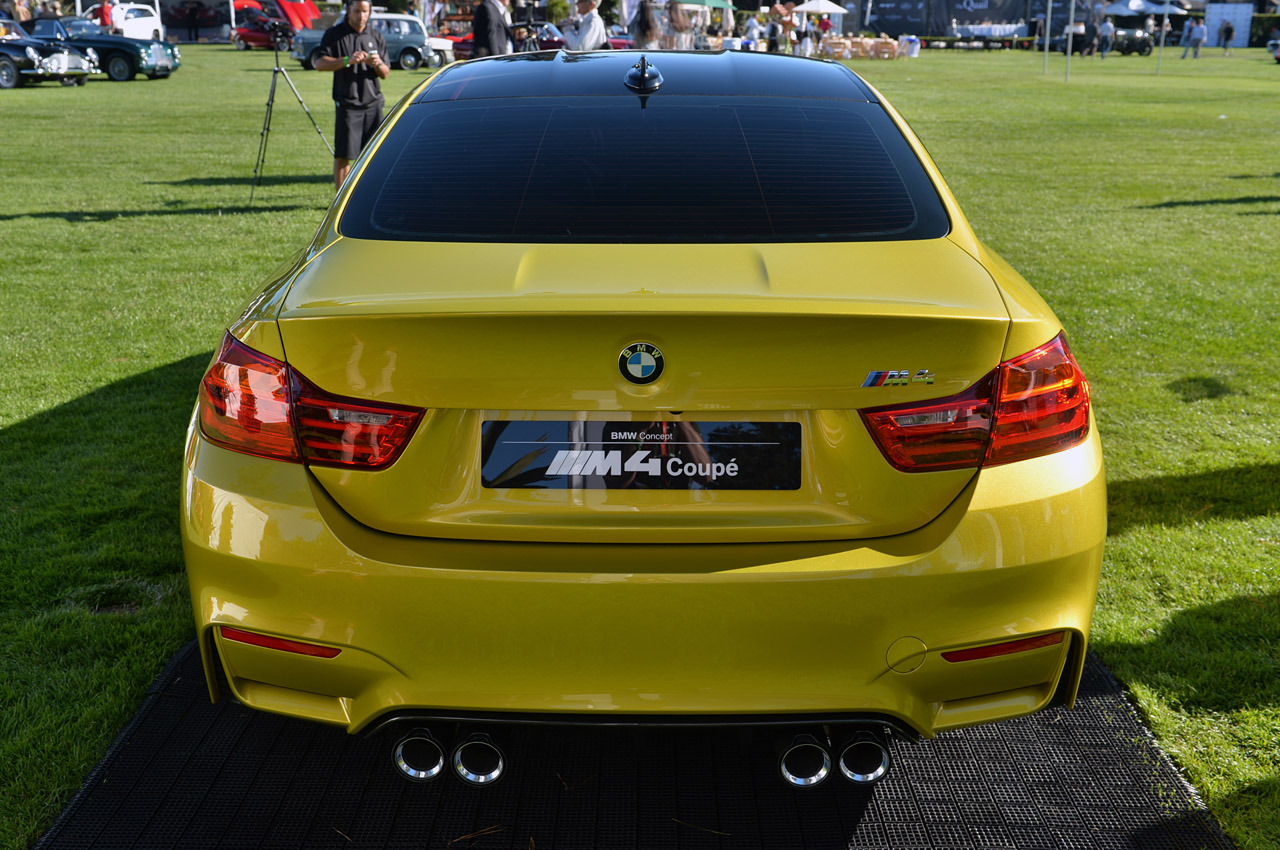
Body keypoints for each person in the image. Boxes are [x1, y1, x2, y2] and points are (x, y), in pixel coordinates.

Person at [314, 0, 389, 191]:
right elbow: (320, 64)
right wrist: (347, 60)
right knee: (343, 156)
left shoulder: (375, 36)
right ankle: (341, 200)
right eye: (357, 11)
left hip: (373, 104)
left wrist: (377, 64)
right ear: (348, 10)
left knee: (374, 155)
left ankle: (367, 195)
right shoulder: (335, 35)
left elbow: (386, 73)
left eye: (365, 11)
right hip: (348, 104)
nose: (361, 16)